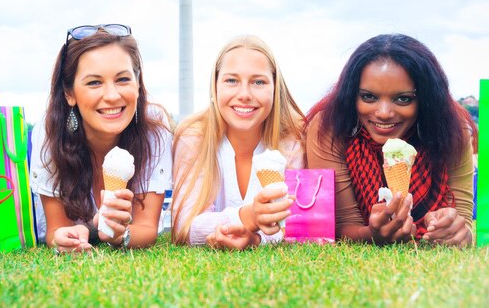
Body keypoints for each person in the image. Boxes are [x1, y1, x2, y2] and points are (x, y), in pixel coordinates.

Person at [305, 33, 474, 247]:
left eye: (403, 99)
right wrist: (371, 234)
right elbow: (343, 226)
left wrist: (454, 230)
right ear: (351, 95)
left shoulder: (451, 128)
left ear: (427, 99)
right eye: (368, 97)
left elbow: (464, 223)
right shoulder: (330, 126)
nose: (384, 113)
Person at [30, 24, 172, 253]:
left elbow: (147, 227)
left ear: (137, 84)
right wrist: (66, 238)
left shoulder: (154, 130)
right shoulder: (50, 131)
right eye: (94, 82)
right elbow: (57, 229)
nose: (112, 95)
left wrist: (119, 235)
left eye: (123, 79)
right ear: (69, 93)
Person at [171, 35, 305, 249]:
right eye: (231, 80)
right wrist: (248, 217)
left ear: (274, 88)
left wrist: (257, 239)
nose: (244, 94)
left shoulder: (293, 141)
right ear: (215, 87)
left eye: (258, 82)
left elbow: (293, 225)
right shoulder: (193, 136)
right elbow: (185, 225)